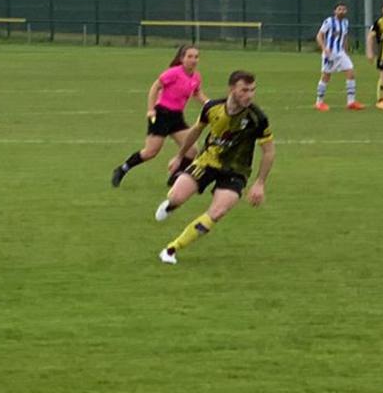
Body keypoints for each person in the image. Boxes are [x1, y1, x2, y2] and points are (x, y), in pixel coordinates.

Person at [153, 70, 274, 265]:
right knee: (176, 196)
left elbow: (269, 151)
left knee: (217, 212)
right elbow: (195, 131)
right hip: (207, 161)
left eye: (253, 90)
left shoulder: (257, 117)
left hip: (236, 170)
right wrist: (179, 156)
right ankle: (171, 205)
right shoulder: (212, 107)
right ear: (232, 89)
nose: (249, 95)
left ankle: (171, 249)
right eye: (244, 90)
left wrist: (260, 183)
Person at [111, 45, 209, 187]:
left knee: (192, 150)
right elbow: (155, 87)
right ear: (182, 59)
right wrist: (151, 109)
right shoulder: (173, 73)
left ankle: (175, 176)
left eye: (196, 57)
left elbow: (197, 93)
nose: (193, 60)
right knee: (151, 152)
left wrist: (210, 104)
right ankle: (122, 169)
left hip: (176, 117)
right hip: (162, 114)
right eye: (190, 56)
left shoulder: (196, 77)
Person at [314, 3, 365, 111]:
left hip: (341, 53)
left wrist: (346, 51)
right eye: (339, 9)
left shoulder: (345, 22)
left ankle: (351, 102)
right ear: (335, 11)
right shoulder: (329, 21)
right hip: (330, 53)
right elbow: (319, 35)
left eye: (344, 9)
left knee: (351, 73)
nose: (342, 11)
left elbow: (344, 37)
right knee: (326, 76)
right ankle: (319, 102)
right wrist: (324, 48)